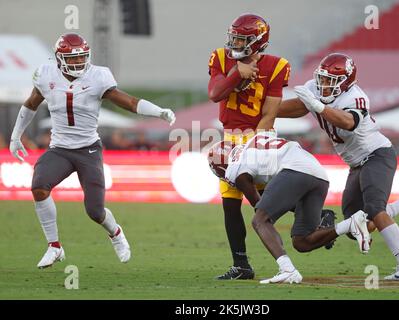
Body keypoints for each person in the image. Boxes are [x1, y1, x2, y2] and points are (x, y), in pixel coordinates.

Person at [9, 33, 176, 269]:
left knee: (95, 211)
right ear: (59, 59)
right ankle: (54, 247)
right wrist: (16, 135)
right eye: (73, 59)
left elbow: (128, 101)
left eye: (82, 58)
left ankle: (116, 233)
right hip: (60, 149)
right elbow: (31, 104)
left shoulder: (98, 76)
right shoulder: (46, 75)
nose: (78, 63)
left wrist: (159, 111)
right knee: (39, 185)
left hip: (88, 149)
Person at [278, 53, 399, 280]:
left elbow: (348, 122)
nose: (324, 85)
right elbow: (299, 108)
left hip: (377, 155)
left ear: (346, 81)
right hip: (356, 164)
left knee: (375, 210)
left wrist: (317, 106)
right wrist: (264, 109)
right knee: (357, 224)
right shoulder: (316, 90)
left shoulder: (356, 98)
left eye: (331, 80)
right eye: (323, 79)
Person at [207, 133, 370, 284]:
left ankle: (287, 269)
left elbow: (259, 206)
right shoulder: (256, 141)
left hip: (294, 170)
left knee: (259, 220)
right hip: (319, 174)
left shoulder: (235, 167)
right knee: (302, 241)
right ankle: (350, 224)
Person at [208, 13, 291, 280]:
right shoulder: (221, 58)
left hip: (260, 137)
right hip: (230, 137)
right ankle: (241, 265)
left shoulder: (277, 66)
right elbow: (215, 93)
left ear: (258, 42)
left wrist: (256, 146)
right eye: (234, 37)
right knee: (230, 205)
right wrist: (236, 73)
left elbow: (270, 113)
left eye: (242, 39)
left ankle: (317, 217)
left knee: (271, 200)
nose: (235, 42)